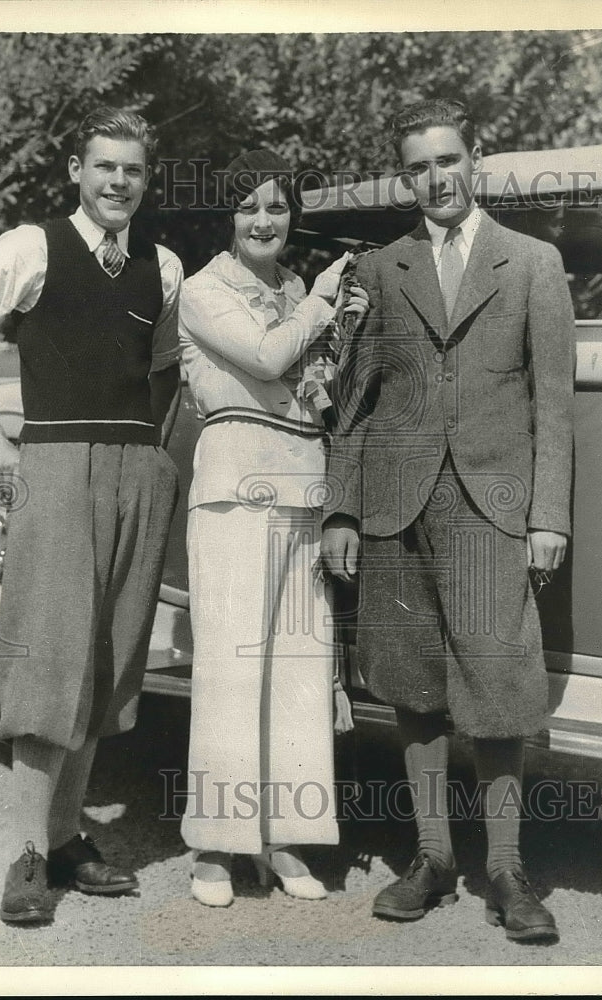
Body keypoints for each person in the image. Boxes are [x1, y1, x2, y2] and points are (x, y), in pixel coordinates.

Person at [321, 98, 575, 943]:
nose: (435, 178)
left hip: (492, 508)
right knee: (412, 687)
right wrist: (344, 509)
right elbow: (356, 403)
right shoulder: (381, 267)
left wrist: (548, 516)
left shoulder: (531, 262)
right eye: (419, 166)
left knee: (498, 688)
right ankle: (430, 859)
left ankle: (505, 870)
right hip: (397, 506)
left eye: (448, 160)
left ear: (476, 159)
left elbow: (554, 405)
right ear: (407, 176)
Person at [0, 107, 183, 924]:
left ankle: (69, 838)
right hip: (55, 470)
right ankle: (29, 854)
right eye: (102, 167)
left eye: (131, 170)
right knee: (47, 658)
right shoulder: (28, 246)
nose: (116, 182)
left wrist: (153, 456)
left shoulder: (164, 265)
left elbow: (166, 369)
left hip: (136, 471)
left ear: (147, 179)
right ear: (76, 169)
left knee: (106, 665)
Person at [178, 149, 368, 906]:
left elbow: (314, 388)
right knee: (229, 667)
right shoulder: (201, 291)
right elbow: (263, 357)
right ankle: (216, 848)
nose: (264, 221)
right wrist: (323, 304)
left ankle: (284, 839)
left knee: (298, 667)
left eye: (278, 207)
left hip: (302, 485)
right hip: (232, 486)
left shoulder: (294, 287)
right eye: (249, 206)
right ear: (227, 216)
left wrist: (341, 333)